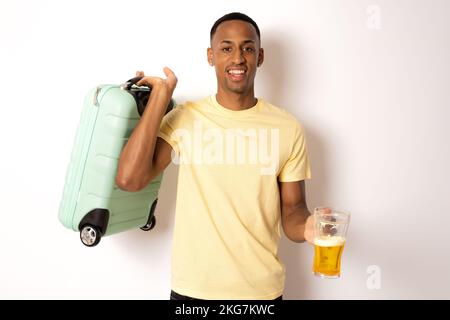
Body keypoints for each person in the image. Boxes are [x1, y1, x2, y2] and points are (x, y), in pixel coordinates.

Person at [116, 12, 315, 300]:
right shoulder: (185, 117)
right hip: (193, 291)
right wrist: (160, 96)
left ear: (260, 57)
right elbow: (130, 179)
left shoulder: (288, 128)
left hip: (260, 293)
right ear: (211, 56)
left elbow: (294, 211)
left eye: (248, 48)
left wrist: (309, 228)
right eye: (226, 48)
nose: (237, 58)